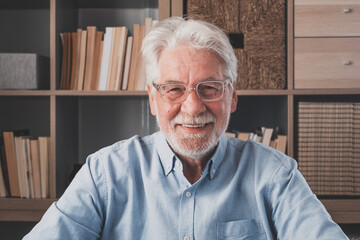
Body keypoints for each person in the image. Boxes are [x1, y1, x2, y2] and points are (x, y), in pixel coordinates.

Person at [24, 17, 348, 239]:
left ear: (232, 97)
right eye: (174, 89)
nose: (192, 107)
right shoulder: (105, 173)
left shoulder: (276, 175)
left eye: (209, 88)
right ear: (153, 99)